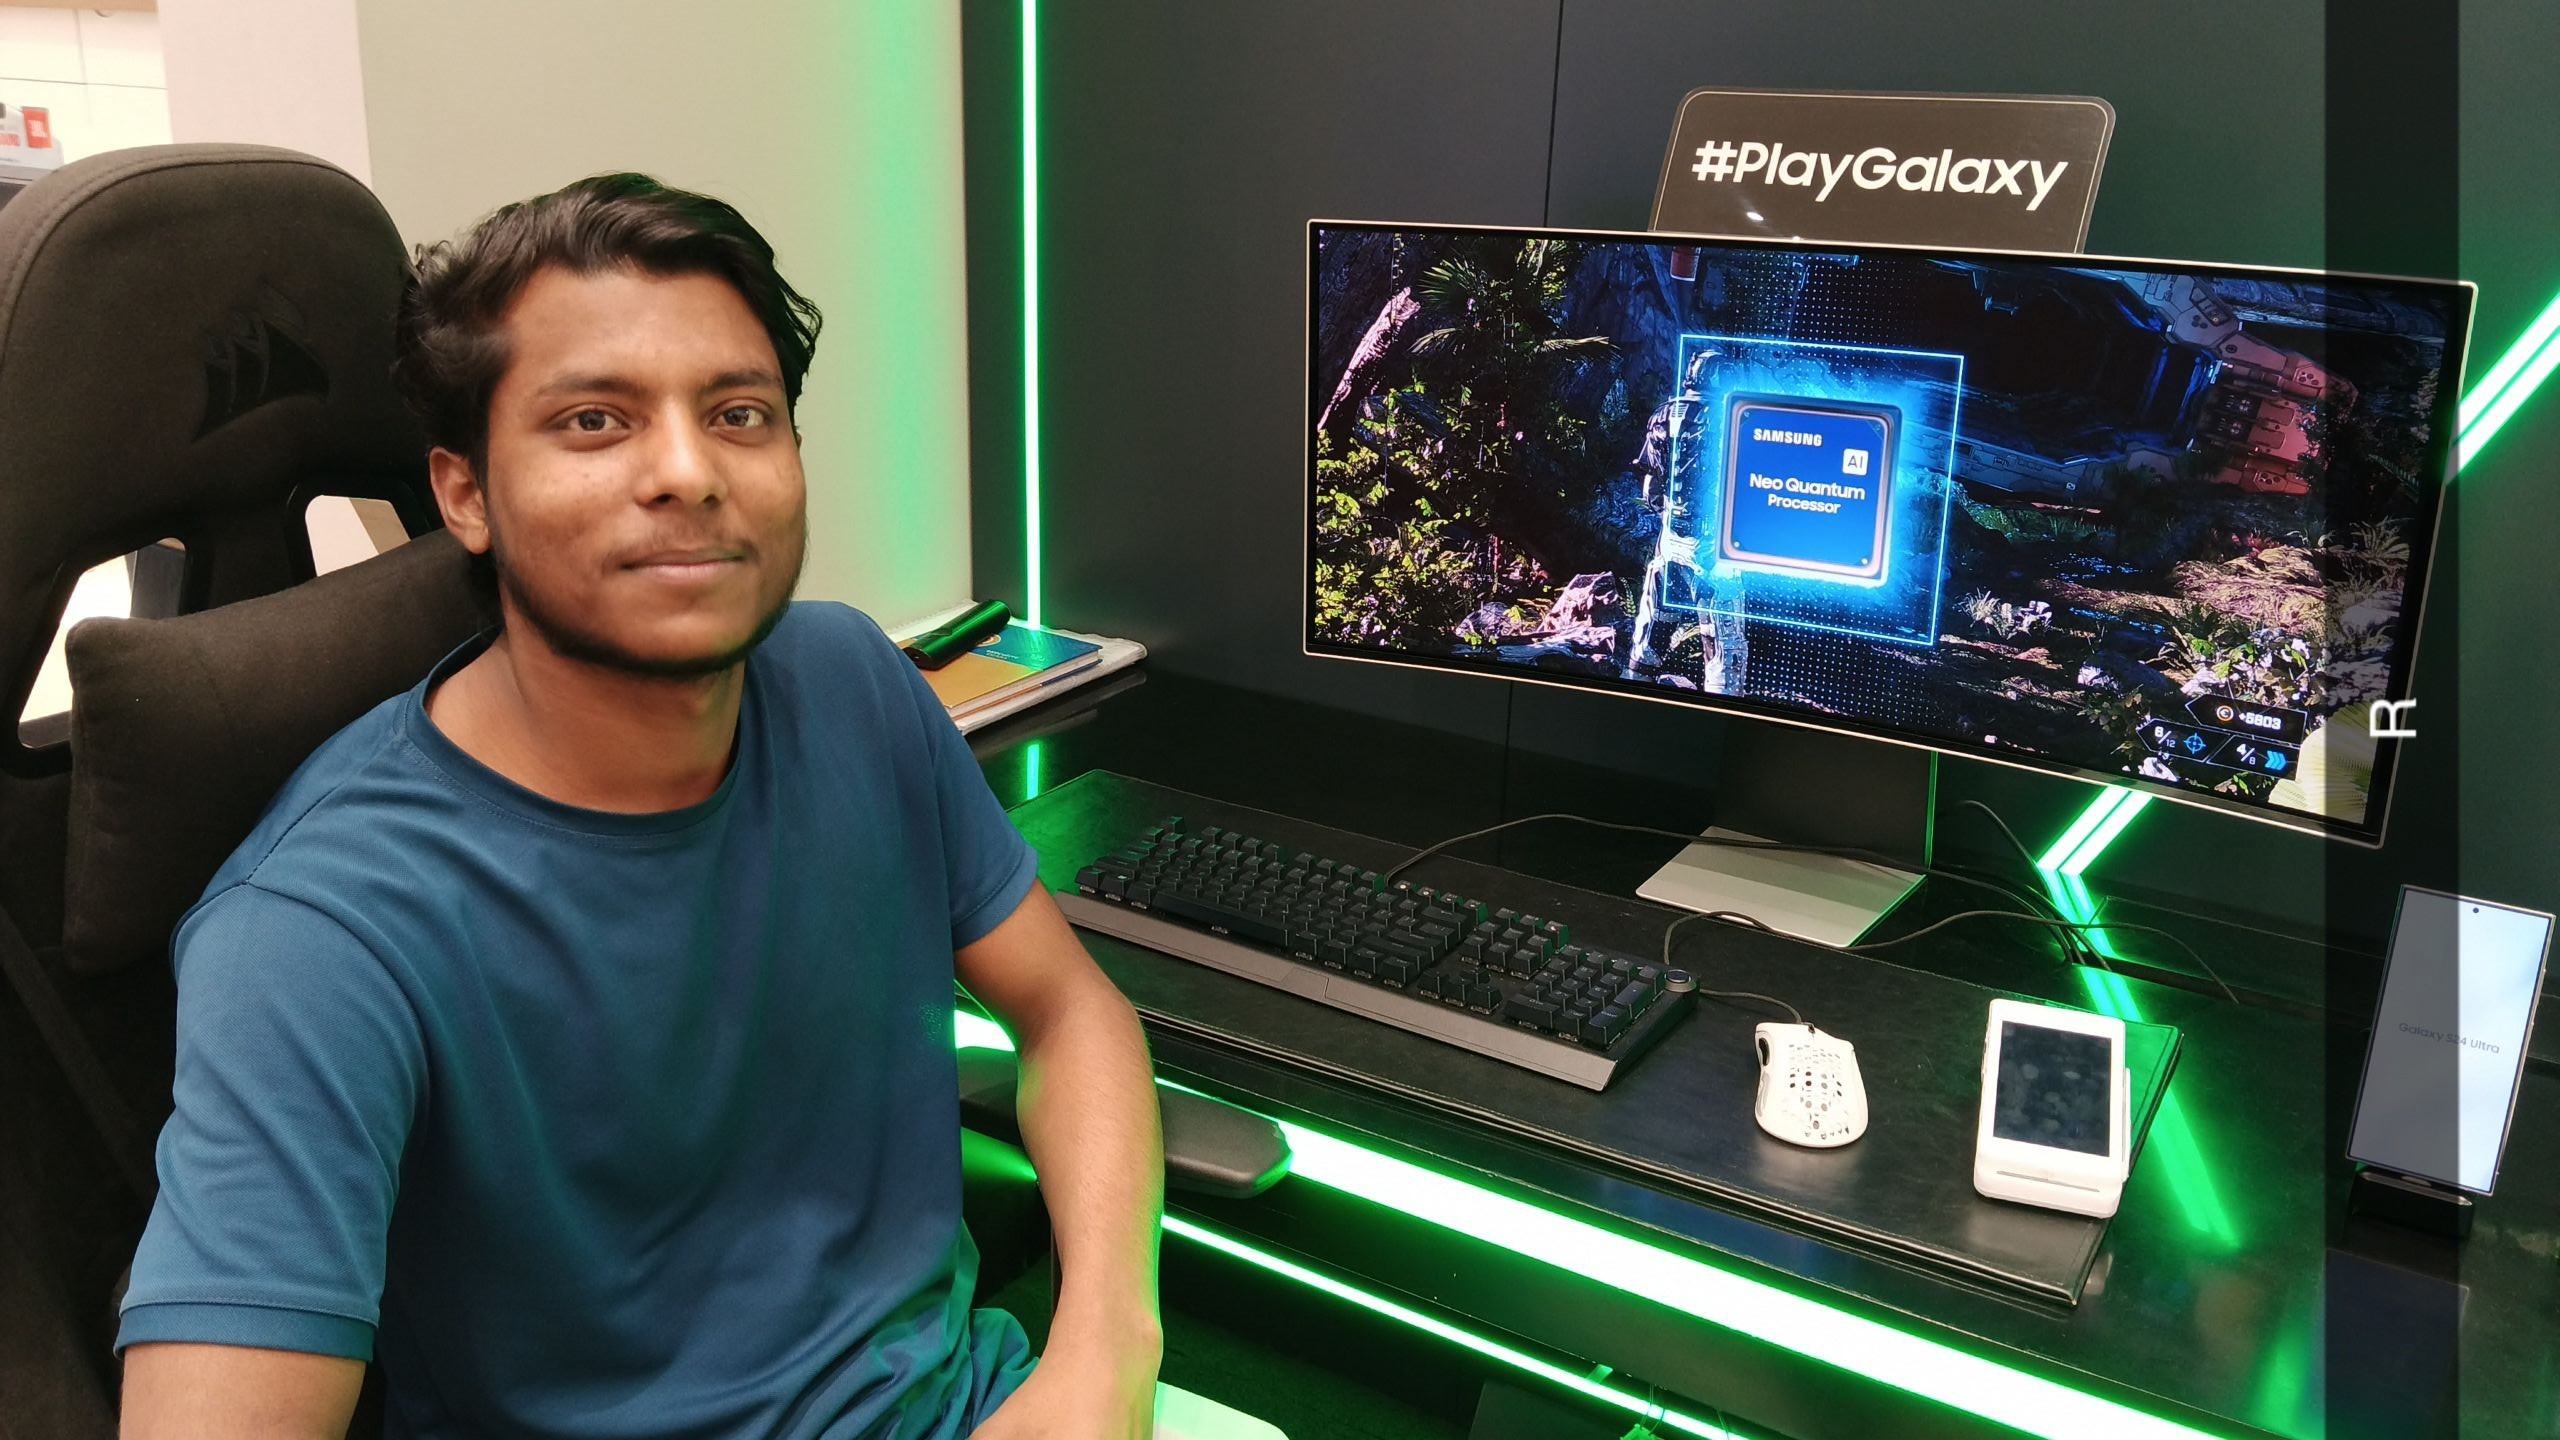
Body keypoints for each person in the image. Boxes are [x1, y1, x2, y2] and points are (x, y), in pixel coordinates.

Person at [114, 173, 1164, 1439]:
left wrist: (1103, 1355)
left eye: (738, 414)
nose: (687, 471)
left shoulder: (852, 682)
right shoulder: (316, 933)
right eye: (595, 421)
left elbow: (1069, 1012)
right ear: (464, 494)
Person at [1624, 347, 1747, 694]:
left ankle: (1629, 696)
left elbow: (1650, 486)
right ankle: (1722, 711)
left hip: (1669, 542)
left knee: (1651, 630)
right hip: (1712, 549)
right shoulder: (1729, 417)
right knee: (1724, 641)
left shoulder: (1662, 414)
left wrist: (1669, 514)